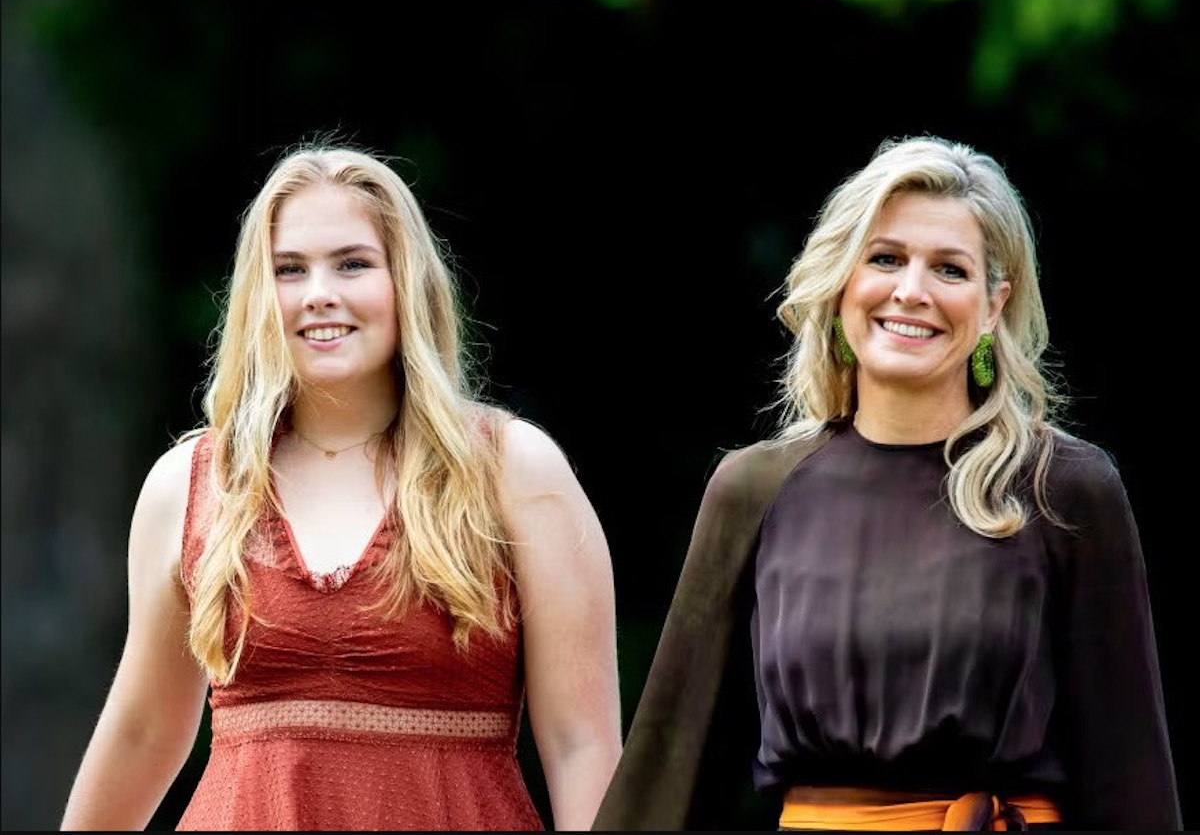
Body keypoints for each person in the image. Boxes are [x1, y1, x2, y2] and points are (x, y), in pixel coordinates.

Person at [593, 135, 1180, 831]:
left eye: (949, 270)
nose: (912, 291)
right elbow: (669, 766)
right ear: (843, 281)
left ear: (994, 305)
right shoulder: (752, 489)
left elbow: (1130, 776)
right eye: (886, 258)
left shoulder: (1066, 489)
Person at [60, 140, 622, 831]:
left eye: (353, 263)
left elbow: (581, 745)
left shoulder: (516, 471)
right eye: (289, 269)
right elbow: (144, 731)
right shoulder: (190, 483)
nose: (319, 292)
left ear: (406, 282)